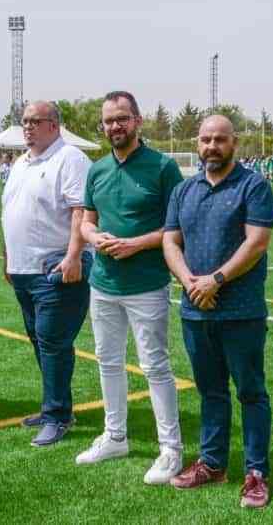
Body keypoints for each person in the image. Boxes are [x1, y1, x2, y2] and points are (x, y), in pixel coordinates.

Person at [163, 115, 273, 509]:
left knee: (250, 392)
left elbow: (257, 242)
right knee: (210, 391)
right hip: (196, 311)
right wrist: (191, 283)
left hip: (241, 311)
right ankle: (212, 463)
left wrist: (216, 279)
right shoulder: (183, 189)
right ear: (198, 144)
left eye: (220, 139)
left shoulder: (254, 185)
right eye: (206, 139)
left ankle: (256, 473)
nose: (212, 146)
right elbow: (170, 242)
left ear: (235, 143)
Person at [75, 91, 184, 485]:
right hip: (102, 283)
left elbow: (177, 228)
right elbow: (86, 221)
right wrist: (93, 237)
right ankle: (115, 436)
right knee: (108, 362)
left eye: (122, 118)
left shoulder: (163, 167)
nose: (114, 126)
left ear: (138, 121)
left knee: (155, 366)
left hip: (146, 285)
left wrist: (136, 244)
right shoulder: (96, 169)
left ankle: (170, 449)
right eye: (108, 121)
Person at [2, 100, 92, 447]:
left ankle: (57, 415)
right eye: (24, 121)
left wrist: (73, 257)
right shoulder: (22, 162)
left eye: (34, 121)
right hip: (23, 270)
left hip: (54, 268)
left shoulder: (69, 158)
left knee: (53, 343)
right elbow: (10, 211)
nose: (27, 127)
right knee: (40, 341)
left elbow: (79, 210)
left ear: (54, 125)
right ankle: (56, 407)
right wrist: (9, 258)